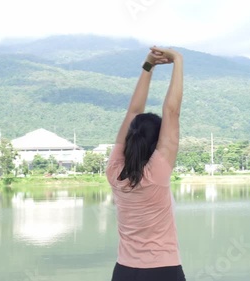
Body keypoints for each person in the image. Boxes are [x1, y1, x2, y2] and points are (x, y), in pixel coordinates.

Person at [106, 46, 186, 281]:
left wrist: (148, 65)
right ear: (157, 144)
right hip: (163, 271)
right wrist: (178, 60)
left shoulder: (114, 172)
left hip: (124, 272)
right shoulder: (156, 173)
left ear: (129, 138)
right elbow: (172, 112)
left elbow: (133, 111)